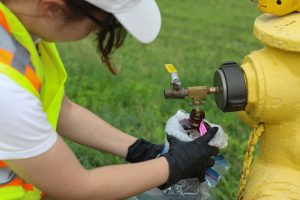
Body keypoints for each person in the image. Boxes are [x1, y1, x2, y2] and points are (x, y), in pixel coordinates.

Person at [0, 0, 219, 199]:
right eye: (102, 24)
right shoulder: (6, 88)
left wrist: (140, 150)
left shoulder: (25, 28)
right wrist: (172, 165)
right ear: (52, 8)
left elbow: (63, 111)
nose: (98, 30)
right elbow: (77, 187)